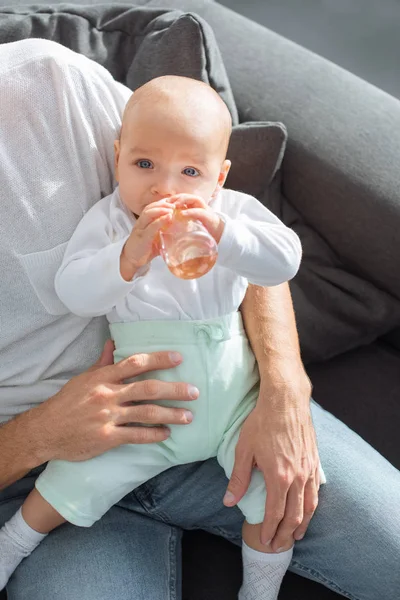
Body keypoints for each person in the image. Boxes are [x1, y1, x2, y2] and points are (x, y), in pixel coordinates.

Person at [0, 38, 399, 600]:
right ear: (121, 160)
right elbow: (78, 287)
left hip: (235, 402)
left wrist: (283, 389)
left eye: (186, 173)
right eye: (145, 167)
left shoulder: (50, 85)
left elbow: (273, 258)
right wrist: (38, 436)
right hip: (48, 463)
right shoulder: (110, 225)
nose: (166, 186)